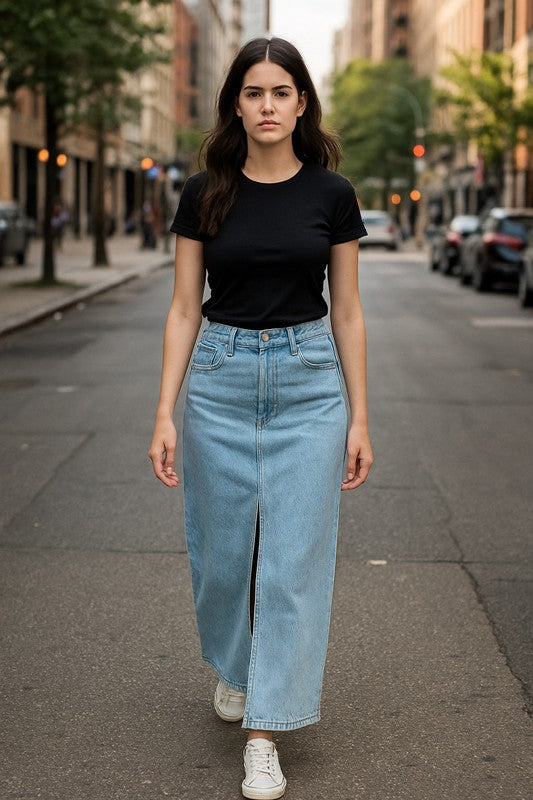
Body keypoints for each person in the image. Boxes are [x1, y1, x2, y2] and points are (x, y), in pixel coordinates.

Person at [148, 36, 373, 800]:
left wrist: (360, 418)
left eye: (282, 92)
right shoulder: (203, 192)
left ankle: (265, 730)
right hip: (219, 378)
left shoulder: (330, 195)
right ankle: (236, 667)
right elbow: (183, 309)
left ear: (301, 101)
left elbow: (346, 311)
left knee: (290, 564)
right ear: (235, 105)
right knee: (222, 560)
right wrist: (164, 413)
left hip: (310, 385)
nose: (268, 106)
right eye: (254, 93)